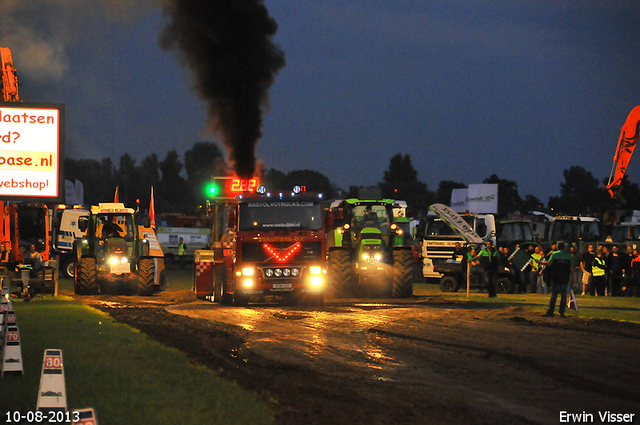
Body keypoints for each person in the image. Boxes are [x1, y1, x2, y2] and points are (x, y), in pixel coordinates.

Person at [541, 242, 573, 317]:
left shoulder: (554, 254)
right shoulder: (568, 256)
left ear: (557, 247)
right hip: (565, 277)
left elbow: (549, 263)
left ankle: (551, 311)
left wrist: (540, 262)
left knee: (554, 295)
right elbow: (572, 268)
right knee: (564, 295)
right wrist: (573, 279)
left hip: (556, 277)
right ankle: (561, 312)